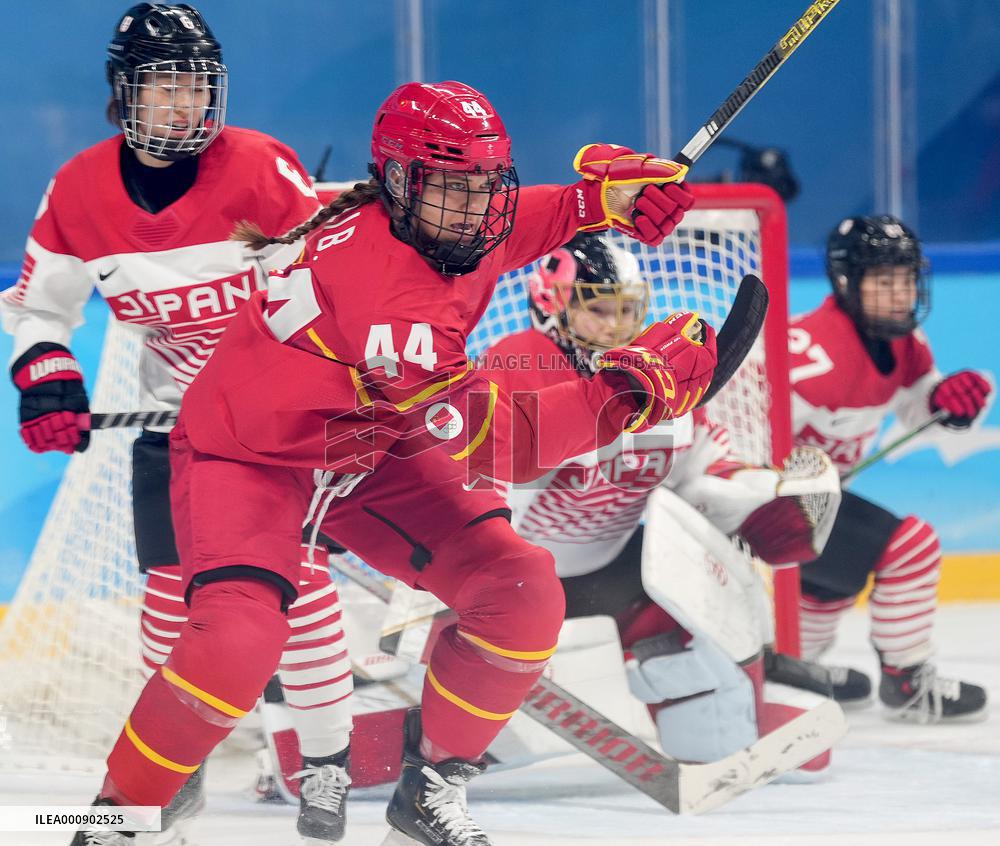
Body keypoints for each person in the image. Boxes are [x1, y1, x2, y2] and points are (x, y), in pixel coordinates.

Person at [73, 79, 713, 846]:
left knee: (519, 591)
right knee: (236, 646)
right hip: (253, 455)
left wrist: (596, 205)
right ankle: (111, 821)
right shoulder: (388, 293)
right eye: (453, 186)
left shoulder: (442, 221)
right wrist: (625, 394)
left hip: (360, 436)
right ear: (401, 182)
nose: (476, 205)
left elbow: (525, 221)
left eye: (486, 184)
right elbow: (500, 446)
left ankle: (430, 792)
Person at [0, 4, 356, 843]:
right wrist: (47, 380)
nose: (184, 109)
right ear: (124, 96)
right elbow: (39, 311)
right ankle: (173, 769)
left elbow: (331, 297)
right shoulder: (79, 191)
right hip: (176, 428)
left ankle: (327, 765)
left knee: (295, 590)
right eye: (163, 89)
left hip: (278, 432)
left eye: (197, 90)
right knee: (168, 605)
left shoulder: (264, 171)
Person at [477, 232, 841, 771]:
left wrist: (761, 497)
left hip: (615, 569)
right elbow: (478, 484)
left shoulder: (659, 371)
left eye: (629, 311)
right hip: (513, 579)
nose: (616, 327)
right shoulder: (517, 364)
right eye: (599, 309)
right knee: (493, 719)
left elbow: (699, 476)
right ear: (551, 304)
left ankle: (753, 703)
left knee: (708, 722)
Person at [790, 214, 991, 722]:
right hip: (770, 501)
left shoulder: (903, 342)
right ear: (846, 282)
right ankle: (907, 680)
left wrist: (948, 403)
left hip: (814, 501)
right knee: (910, 546)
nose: (900, 293)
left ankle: (792, 671)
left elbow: (924, 411)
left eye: (905, 279)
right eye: (884, 281)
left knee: (832, 579)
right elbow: (741, 436)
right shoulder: (813, 355)